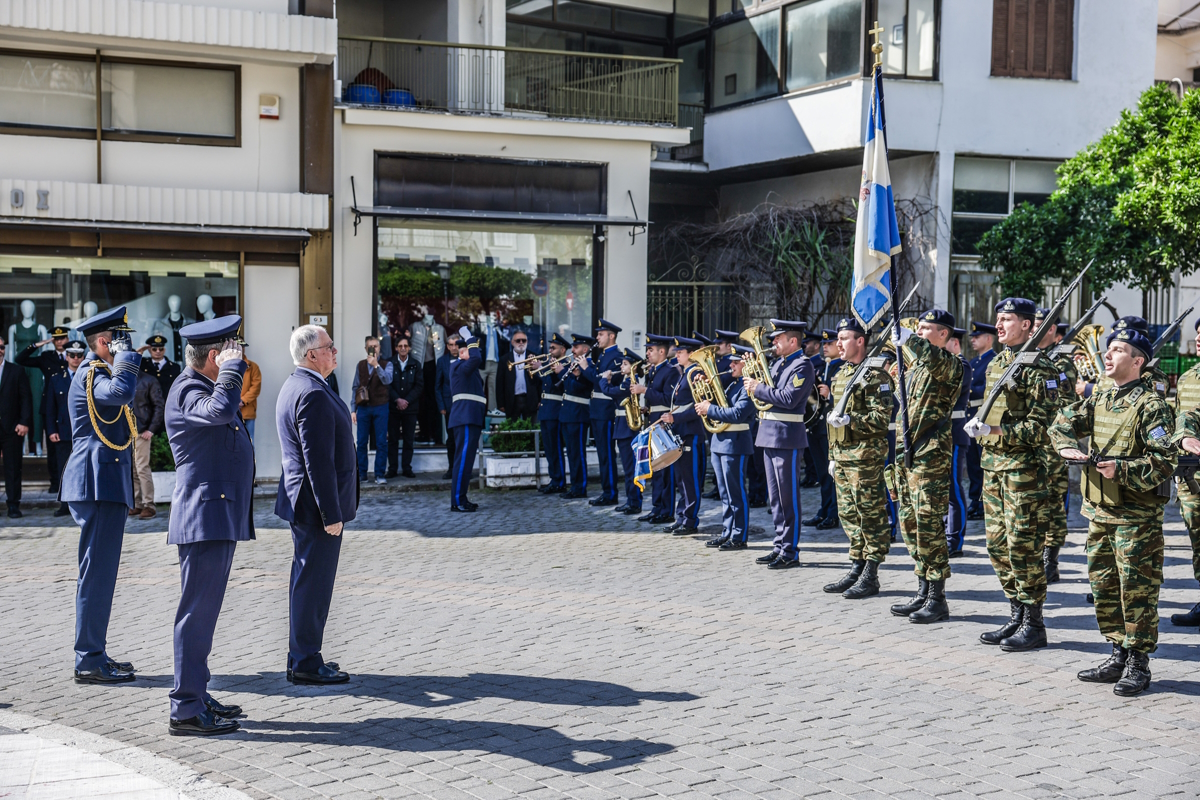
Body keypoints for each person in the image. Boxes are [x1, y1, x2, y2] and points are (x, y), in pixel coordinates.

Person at [1049, 329, 1175, 697]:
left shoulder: (1152, 406)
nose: (1108, 355)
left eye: (1118, 350)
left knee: (1137, 591)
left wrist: (1121, 469)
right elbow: (1061, 423)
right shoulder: (1101, 396)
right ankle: (1117, 652)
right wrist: (1068, 447)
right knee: (1104, 588)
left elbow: (1164, 462)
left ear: (1138, 361)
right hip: (1099, 512)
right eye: (1109, 348)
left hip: (1136, 519)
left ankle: (1139, 663)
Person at [163, 316, 254, 736]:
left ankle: (197, 693)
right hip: (204, 515)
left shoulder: (199, 386)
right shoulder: (188, 389)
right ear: (214, 357)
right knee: (196, 615)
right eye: (232, 353)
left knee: (204, 613)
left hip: (214, 512)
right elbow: (220, 412)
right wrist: (233, 371)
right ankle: (185, 708)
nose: (241, 359)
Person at [964, 297, 1060, 652]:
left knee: (1023, 546)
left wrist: (996, 433)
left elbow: (1046, 426)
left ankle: (1034, 623)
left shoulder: (1040, 369)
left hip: (1024, 471)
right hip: (994, 467)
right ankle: (1016, 613)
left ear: (1027, 325)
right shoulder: (999, 363)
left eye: (1006, 319)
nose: (999, 325)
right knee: (997, 546)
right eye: (998, 318)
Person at [61, 307, 141, 684]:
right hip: (95, 483)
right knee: (96, 574)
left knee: (102, 574)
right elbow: (123, 391)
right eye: (122, 339)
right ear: (107, 342)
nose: (130, 346)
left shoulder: (101, 372)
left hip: (103, 482)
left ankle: (96, 651)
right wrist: (126, 356)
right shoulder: (92, 373)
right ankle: (88, 658)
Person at [275, 325, 356, 686]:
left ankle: (302, 654)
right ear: (312, 355)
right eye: (329, 347)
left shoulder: (299, 384)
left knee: (306, 580)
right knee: (314, 584)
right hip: (315, 506)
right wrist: (331, 514)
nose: (335, 351)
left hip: (302, 502)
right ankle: (306, 661)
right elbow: (317, 461)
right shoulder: (311, 393)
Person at [887, 310, 966, 624]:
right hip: (906, 455)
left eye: (925, 328)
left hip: (930, 454)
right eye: (916, 328)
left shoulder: (950, 365)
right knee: (909, 524)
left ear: (943, 334)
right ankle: (922, 589)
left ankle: (937, 597)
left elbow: (934, 360)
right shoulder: (916, 366)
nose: (918, 332)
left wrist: (908, 340)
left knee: (929, 526)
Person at [823, 317, 894, 598]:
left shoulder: (877, 376)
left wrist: (851, 420)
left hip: (866, 458)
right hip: (842, 456)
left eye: (843, 339)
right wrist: (832, 455)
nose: (837, 344)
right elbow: (832, 422)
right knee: (849, 514)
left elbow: (880, 418)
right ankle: (857, 565)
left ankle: (871, 573)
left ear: (860, 341)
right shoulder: (841, 375)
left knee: (870, 515)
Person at [743, 320, 814, 569]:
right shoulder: (777, 364)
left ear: (792, 341)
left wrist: (758, 387)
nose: (773, 343)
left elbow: (788, 399)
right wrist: (752, 377)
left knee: (788, 498)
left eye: (778, 338)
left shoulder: (802, 365)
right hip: (769, 434)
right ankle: (778, 545)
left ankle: (790, 550)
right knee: (775, 498)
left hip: (787, 437)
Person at [696, 345, 756, 549]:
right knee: (724, 493)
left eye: (735, 362)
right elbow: (721, 405)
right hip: (720, 442)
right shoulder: (733, 384)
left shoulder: (749, 386)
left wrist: (709, 408)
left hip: (736, 443)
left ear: (746, 364)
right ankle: (728, 531)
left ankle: (739, 536)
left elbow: (738, 413)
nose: (730, 365)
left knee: (736, 492)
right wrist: (707, 389)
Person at [1035, 311, 1079, 583]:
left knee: (1053, 504)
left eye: (1041, 326)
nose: (1035, 331)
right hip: (1028, 443)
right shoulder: (1023, 357)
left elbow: (1064, 399)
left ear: (1052, 330)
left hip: (1052, 444)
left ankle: (1049, 559)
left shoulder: (1062, 362)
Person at [657, 337, 707, 534]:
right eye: (676, 352)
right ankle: (682, 516)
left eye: (681, 352)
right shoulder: (684, 373)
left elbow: (699, 407)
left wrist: (674, 418)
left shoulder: (695, 373)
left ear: (691, 354)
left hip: (691, 432)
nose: (676, 354)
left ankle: (690, 520)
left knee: (689, 479)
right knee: (681, 479)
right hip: (681, 432)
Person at [15, 324, 69, 492]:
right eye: (56, 339)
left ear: (67, 339)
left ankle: (70, 480)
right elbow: (20, 359)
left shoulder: (76, 355)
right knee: (52, 446)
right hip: (51, 407)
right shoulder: (46, 356)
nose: (59, 341)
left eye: (62, 338)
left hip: (70, 406)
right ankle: (55, 482)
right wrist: (38, 344)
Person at [1171, 318, 1200, 627]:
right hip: (1191, 474)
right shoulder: (1189, 377)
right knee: (1197, 539)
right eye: (1198, 332)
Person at [632, 335, 678, 524]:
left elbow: (668, 400)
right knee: (656, 469)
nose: (647, 353)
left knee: (665, 470)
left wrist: (644, 391)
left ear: (661, 351)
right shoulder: (654, 371)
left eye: (651, 350)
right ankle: (657, 507)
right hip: (652, 423)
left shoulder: (670, 371)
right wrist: (645, 408)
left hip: (663, 425)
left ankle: (666, 511)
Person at [580, 320, 623, 507]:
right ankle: (607, 490)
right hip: (597, 410)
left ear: (611, 336)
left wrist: (585, 368)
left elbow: (600, 382)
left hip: (605, 411)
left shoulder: (616, 357)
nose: (597, 338)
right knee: (601, 453)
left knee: (606, 454)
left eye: (600, 334)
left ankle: (611, 492)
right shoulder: (604, 356)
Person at [804, 330, 842, 529]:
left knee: (831, 473)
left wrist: (831, 395)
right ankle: (825, 509)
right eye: (824, 344)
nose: (825, 347)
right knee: (822, 473)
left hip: (832, 428)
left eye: (830, 343)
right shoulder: (820, 366)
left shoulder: (842, 367)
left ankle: (834, 513)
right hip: (817, 426)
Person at [600, 348, 644, 515]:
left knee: (630, 468)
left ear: (633, 367)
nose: (622, 366)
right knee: (627, 468)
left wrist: (605, 380)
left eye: (625, 364)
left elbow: (610, 392)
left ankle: (634, 502)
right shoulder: (626, 380)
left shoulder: (630, 382)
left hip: (627, 427)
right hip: (622, 425)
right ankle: (631, 500)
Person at [45, 341, 86, 516]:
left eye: (79, 355)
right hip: (62, 432)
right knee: (64, 469)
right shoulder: (56, 378)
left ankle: (83, 502)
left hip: (85, 432)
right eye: (72, 355)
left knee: (84, 468)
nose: (76, 359)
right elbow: (49, 408)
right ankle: (64, 504)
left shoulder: (90, 377)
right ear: (67, 357)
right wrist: (52, 430)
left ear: (83, 357)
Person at [448, 326, 485, 512]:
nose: (471, 353)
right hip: (466, 418)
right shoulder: (460, 366)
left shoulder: (466, 369)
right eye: (468, 350)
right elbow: (477, 357)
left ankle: (460, 498)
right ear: (462, 353)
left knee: (466, 460)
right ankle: (458, 500)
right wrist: (469, 337)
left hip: (469, 418)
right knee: (463, 461)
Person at [945, 328, 973, 558]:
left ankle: (955, 539)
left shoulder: (962, 366)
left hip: (954, 435)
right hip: (941, 436)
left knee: (954, 489)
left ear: (954, 343)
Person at [351, 336, 393, 485]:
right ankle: (362, 473)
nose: (374, 349)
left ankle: (379, 474)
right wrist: (353, 410)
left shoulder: (387, 364)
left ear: (380, 348)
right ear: (365, 349)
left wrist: (376, 366)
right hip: (363, 407)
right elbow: (355, 387)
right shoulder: (361, 365)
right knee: (361, 442)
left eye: (376, 346)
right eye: (371, 347)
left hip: (381, 406)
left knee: (381, 442)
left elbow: (388, 380)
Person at [965, 322, 997, 520]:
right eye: (972, 337)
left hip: (983, 417)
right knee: (973, 465)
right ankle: (974, 500)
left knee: (982, 464)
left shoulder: (993, 361)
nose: (973, 340)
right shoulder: (973, 362)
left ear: (989, 339)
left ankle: (983, 503)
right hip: (970, 416)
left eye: (978, 336)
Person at [0, 334, 33, 519]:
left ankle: (13, 505)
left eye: (2, 346)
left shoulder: (16, 371)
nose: (0, 350)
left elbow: (26, 398)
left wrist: (24, 422)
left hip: (12, 428)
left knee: (13, 469)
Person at [559, 333, 596, 500]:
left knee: (578, 453)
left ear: (585, 349)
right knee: (571, 453)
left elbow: (577, 388)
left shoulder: (588, 366)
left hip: (579, 414)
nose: (572, 349)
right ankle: (574, 485)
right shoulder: (573, 365)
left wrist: (563, 373)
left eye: (576, 347)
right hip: (567, 413)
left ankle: (580, 487)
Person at [130, 368, 165, 520]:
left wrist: (151, 429)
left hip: (141, 430)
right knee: (132, 469)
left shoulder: (148, 380)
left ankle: (149, 505)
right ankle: (137, 503)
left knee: (142, 467)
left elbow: (159, 405)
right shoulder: (119, 378)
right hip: (125, 432)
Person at [387, 336, 423, 479]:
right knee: (393, 440)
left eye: (405, 346)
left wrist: (406, 400)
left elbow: (419, 385)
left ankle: (407, 468)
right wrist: (397, 399)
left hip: (410, 408)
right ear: (396, 348)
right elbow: (387, 384)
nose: (403, 348)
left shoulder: (416, 364)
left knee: (409, 439)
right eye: (400, 346)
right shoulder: (390, 363)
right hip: (393, 408)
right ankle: (392, 468)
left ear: (409, 348)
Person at [537, 334, 569, 494]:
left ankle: (559, 480)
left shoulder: (565, 364)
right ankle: (554, 478)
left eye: (553, 348)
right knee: (549, 448)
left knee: (555, 448)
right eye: (550, 348)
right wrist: (537, 368)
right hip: (546, 409)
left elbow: (559, 385)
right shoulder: (550, 364)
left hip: (555, 409)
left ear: (563, 350)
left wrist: (545, 368)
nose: (550, 350)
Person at [799, 330, 825, 488]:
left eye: (807, 343)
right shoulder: (807, 364)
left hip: (816, 413)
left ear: (816, 346)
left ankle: (813, 475)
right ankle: (810, 475)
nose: (805, 346)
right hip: (807, 412)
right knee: (809, 451)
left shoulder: (819, 365)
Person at [498, 330, 540, 421]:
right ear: (512, 342)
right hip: (512, 400)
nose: (521, 343)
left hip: (530, 399)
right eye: (518, 340)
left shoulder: (534, 356)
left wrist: (540, 399)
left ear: (527, 342)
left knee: (530, 430)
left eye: (523, 340)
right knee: (512, 430)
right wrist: (500, 403)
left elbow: (539, 380)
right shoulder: (504, 359)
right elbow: (500, 382)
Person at [435, 334, 460, 480]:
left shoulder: (465, 358)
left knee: (461, 438)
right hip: (449, 405)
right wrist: (441, 406)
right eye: (450, 344)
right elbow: (437, 386)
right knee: (451, 439)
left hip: (462, 404)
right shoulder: (442, 361)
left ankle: (462, 469)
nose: (453, 347)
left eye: (456, 344)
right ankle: (451, 468)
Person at [138, 334, 182, 400]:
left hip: (167, 403)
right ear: (149, 350)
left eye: (161, 349)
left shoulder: (174, 368)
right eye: (154, 349)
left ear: (164, 350)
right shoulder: (143, 364)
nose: (158, 351)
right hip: (147, 405)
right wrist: (138, 354)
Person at [237, 338, 262, 441]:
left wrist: (243, 401)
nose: (240, 349)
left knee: (249, 442)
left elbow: (256, 387)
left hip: (247, 411)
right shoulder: (225, 366)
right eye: (238, 346)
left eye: (242, 346)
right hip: (230, 412)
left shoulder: (253, 367)